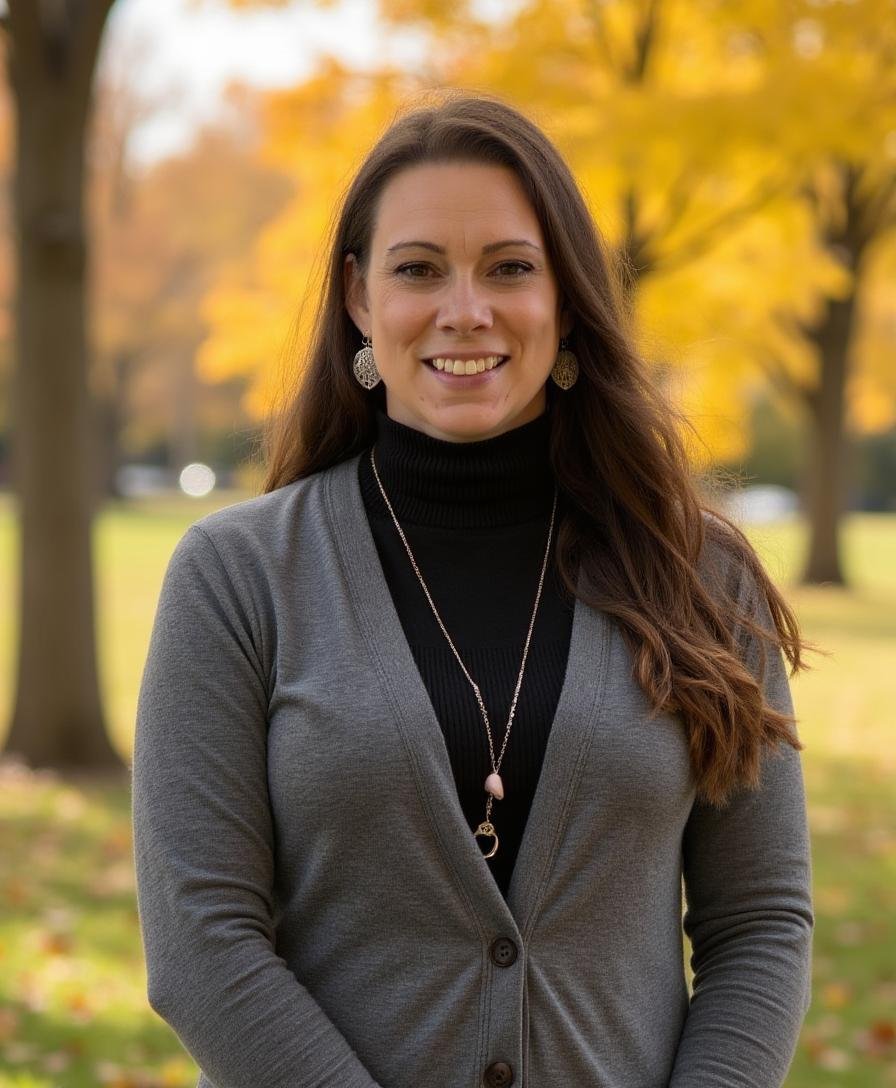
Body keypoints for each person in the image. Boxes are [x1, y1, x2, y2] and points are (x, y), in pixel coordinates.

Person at [131, 93, 814, 1088]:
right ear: (360, 299)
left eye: (509, 267)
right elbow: (201, 941)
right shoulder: (237, 578)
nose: (465, 310)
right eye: (418, 269)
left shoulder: (699, 573)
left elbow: (758, 919)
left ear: (566, 299)